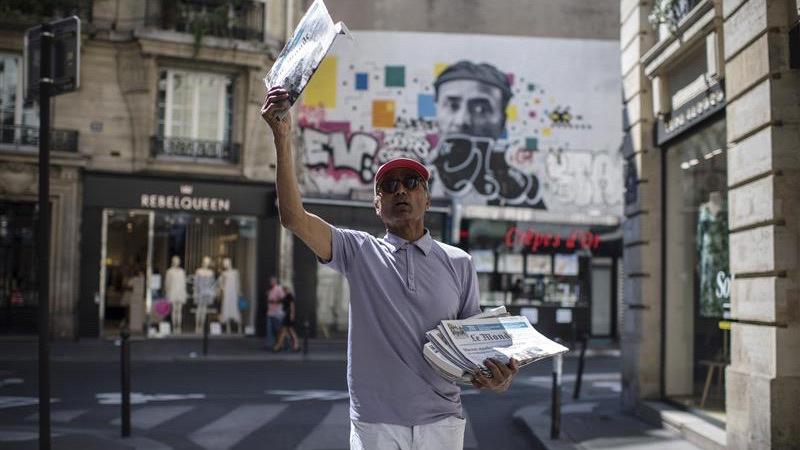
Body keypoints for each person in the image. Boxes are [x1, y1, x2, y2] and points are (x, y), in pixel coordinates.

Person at [262, 86, 519, 450]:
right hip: (375, 425)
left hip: (443, 424)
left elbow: (472, 352)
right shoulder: (358, 251)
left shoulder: (459, 263)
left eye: (412, 183)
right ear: (376, 204)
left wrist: (496, 378)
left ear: (427, 199)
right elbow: (293, 218)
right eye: (389, 185)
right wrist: (282, 137)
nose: (401, 190)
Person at [272, 287, 301, 352]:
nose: (284, 291)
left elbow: (292, 305)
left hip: (289, 315)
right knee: (288, 331)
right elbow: (280, 301)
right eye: (284, 290)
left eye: (285, 290)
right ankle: (295, 346)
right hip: (286, 315)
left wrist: (292, 315)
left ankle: (278, 346)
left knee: (286, 330)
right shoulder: (285, 297)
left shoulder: (289, 296)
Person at [266, 276, 285, 346]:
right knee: (269, 329)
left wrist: (275, 301)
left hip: (276, 313)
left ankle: (282, 343)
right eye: (270, 281)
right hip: (270, 312)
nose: (271, 282)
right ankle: (270, 344)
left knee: (278, 329)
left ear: (275, 281)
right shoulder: (271, 290)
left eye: (272, 281)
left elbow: (283, 299)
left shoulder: (278, 288)